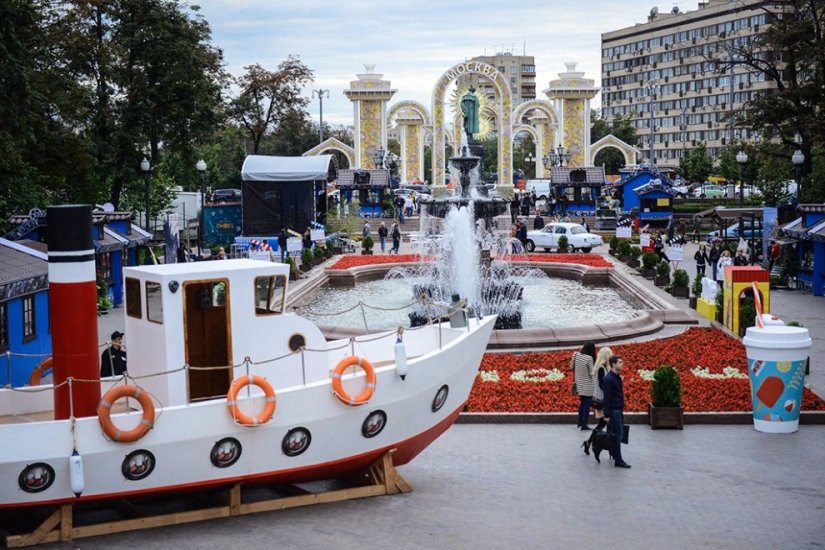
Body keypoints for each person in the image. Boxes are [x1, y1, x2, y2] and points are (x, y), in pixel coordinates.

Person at [582, 346, 612, 456]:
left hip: (602, 400)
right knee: (603, 424)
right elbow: (601, 384)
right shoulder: (601, 369)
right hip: (602, 400)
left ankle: (589, 443)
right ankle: (592, 443)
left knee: (602, 424)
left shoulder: (602, 368)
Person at [603, 355, 630, 468]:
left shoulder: (616, 377)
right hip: (614, 411)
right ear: (613, 364)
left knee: (619, 434)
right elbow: (607, 397)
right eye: (619, 362)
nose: (622, 364)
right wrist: (607, 414)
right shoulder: (609, 379)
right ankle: (618, 459)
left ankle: (615, 454)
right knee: (618, 435)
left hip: (618, 409)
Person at [571, 341, 596, 431]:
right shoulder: (589, 358)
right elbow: (591, 373)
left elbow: (571, 367)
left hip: (579, 384)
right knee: (587, 404)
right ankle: (585, 424)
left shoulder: (576, 355)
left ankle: (580, 421)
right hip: (588, 385)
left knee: (582, 403)